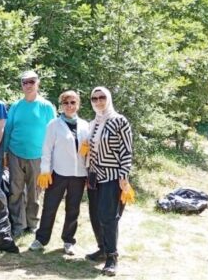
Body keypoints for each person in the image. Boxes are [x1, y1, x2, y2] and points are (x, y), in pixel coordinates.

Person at [28, 90, 89, 255]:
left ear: (78, 104)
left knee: (73, 209)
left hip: (79, 174)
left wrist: (89, 172)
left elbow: (89, 151)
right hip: (58, 173)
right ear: (61, 105)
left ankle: (68, 240)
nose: (69, 106)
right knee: (50, 207)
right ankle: (41, 239)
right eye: (66, 103)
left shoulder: (85, 125)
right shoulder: (54, 124)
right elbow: (46, 149)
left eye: (73, 102)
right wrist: (45, 171)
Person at [84, 87, 134, 276]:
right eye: (94, 98)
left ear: (109, 98)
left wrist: (124, 176)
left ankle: (112, 257)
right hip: (93, 175)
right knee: (95, 215)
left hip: (112, 176)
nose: (98, 101)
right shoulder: (93, 123)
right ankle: (102, 249)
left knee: (108, 216)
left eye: (102, 97)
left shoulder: (119, 121)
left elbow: (126, 151)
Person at [3, 70, 56, 237]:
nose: (28, 85)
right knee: (16, 191)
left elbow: (54, 133)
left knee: (34, 192)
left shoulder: (46, 106)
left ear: (37, 83)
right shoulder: (15, 106)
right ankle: (18, 225)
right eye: (24, 82)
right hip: (15, 153)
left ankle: (32, 223)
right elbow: (8, 129)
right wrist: (5, 152)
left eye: (31, 81)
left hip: (38, 156)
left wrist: (52, 157)